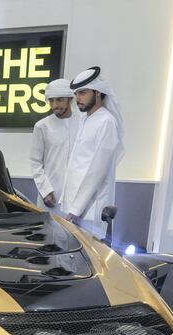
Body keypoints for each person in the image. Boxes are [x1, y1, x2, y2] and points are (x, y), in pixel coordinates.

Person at [61, 66, 124, 238]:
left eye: (82, 93)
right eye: (76, 94)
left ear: (97, 93)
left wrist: (75, 209)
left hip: (90, 211)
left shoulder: (106, 122)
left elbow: (97, 170)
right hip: (75, 210)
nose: (77, 98)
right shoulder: (86, 119)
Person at [29, 78, 79, 213]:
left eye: (59, 100)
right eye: (51, 100)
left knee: (79, 233)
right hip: (51, 196)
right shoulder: (42, 126)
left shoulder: (83, 123)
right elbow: (35, 162)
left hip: (78, 196)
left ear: (69, 99)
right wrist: (45, 190)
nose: (55, 105)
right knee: (51, 232)